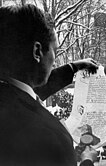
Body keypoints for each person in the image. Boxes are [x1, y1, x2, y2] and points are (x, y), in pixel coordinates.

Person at [0, 4, 98, 166]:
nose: (55, 60)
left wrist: (73, 68)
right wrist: (87, 161)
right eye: (56, 51)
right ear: (37, 51)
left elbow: (26, 94)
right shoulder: (48, 135)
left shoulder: (7, 98)